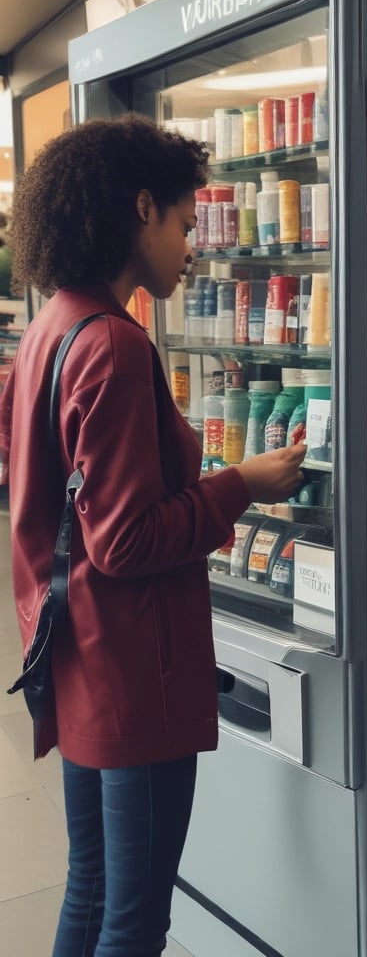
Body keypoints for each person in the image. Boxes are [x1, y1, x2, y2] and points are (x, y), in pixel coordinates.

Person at [0, 114, 306, 957]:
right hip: (136, 669)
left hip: (78, 654)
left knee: (92, 890)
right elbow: (126, 540)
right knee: (135, 921)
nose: (191, 248)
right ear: (142, 210)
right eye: (183, 223)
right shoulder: (114, 344)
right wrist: (243, 485)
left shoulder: (52, 326)